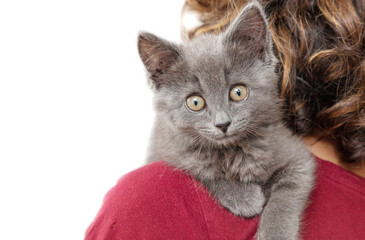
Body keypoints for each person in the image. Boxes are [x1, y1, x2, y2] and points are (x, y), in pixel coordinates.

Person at [85, 0, 365, 239]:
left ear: (265, 56)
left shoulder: (145, 205)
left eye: (237, 92)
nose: (221, 120)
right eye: (197, 103)